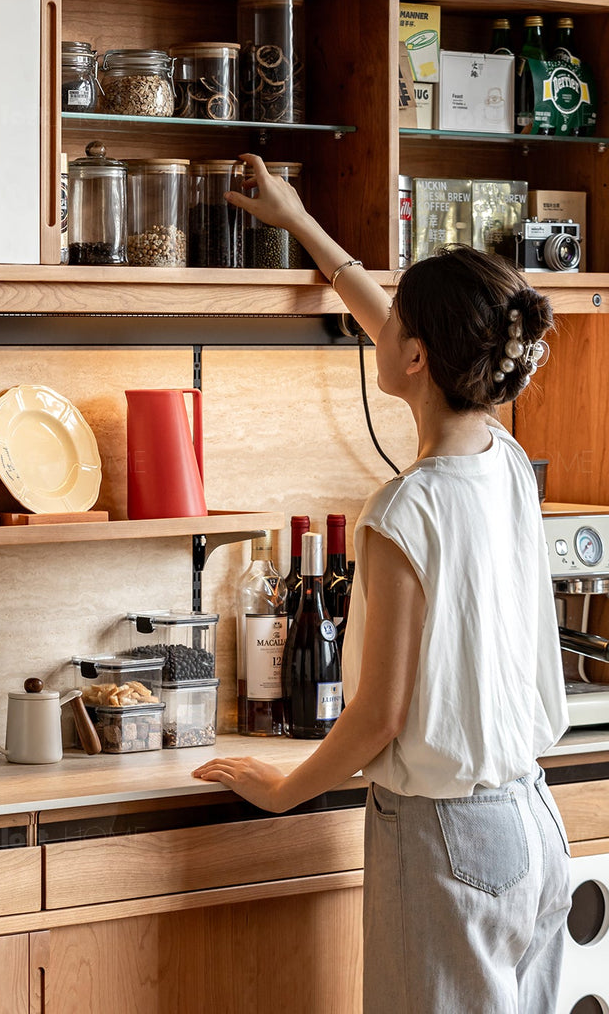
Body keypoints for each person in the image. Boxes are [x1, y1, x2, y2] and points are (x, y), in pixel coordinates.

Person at [193, 155, 571, 1014]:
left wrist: (284, 789)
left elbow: (379, 714)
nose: (381, 324)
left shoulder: (405, 508)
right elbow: (400, 327)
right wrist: (301, 224)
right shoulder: (506, 459)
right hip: (533, 822)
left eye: (394, 319)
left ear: (418, 354)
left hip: (449, 836)